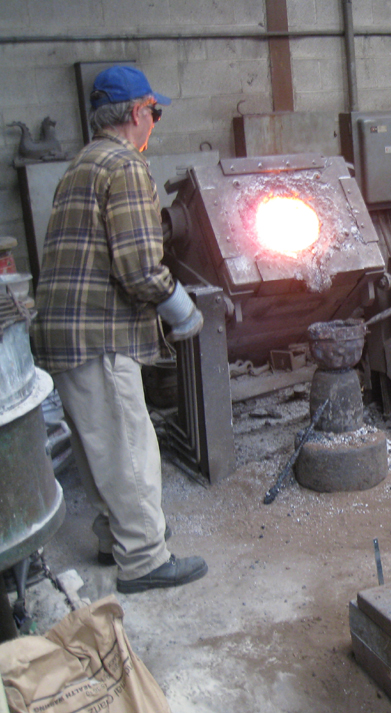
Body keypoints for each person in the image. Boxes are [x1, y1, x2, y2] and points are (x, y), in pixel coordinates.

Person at [31, 65, 208, 592]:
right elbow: (138, 268)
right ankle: (146, 559)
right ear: (136, 113)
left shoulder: (82, 163)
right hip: (98, 333)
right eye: (154, 112)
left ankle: (117, 537)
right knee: (130, 445)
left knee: (99, 445)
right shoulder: (126, 166)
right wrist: (183, 311)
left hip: (63, 332)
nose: (154, 122)